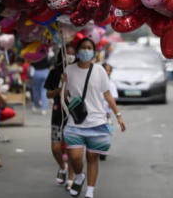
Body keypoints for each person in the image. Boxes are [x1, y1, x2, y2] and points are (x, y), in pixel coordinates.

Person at [56, 38, 126, 198]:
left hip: (97, 121)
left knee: (92, 156)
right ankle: (79, 176)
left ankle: (90, 191)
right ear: (78, 51)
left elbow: (107, 94)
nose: (86, 50)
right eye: (83, 47)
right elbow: (65, 96)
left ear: (94, 52)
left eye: (89, 47)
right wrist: (63, 84)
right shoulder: (69, 70)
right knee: (75, 157)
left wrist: (118, 115)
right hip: (75, 122)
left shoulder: (100, 70)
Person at [46, 44, 76, 190]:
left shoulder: (79, 73)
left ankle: (70, 179)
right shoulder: (54, 73)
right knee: (55, 147)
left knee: (71, 148)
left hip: (74, 115)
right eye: (67, 53)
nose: (70, 56)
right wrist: (60, 87)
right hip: (58, 114)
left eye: (72, 53)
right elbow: (48, 94)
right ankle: (63, 167)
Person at [100, 63, 118, 161]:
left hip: (106, 114)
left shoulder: (111, 85)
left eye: (108, 70)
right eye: (105, 70)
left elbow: (113, 99)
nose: (107, 72)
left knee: (107, 132)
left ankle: (103, 150)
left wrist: (110, 104)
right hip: (96, 113)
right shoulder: (95, 83)